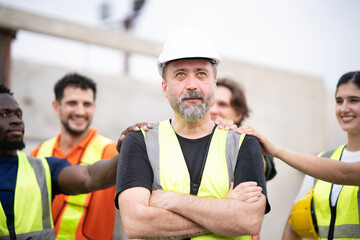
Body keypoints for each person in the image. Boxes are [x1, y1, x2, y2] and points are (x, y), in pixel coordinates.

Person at [115, 29, 270, 240]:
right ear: (164, 87)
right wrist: (225, 210)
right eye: (180, 74)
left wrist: (170, 200)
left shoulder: (243, 142)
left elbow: (249, 221)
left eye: (201, 73)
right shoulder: (139, 140)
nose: (192, 85)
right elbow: (136, 223)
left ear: (214, 84)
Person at [238, 71, 360, 239]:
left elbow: (343, 173)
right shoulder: (324, 159)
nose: (344, 108)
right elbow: (293, 226)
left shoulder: (324, 165)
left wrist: (276, 151)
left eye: (354, 100)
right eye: (339, 101)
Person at [0, 84, 119, 239]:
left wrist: (134, 146)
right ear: (56, 107)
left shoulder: (42, 167)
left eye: (19, 115)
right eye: (4, 115)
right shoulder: (41, 150)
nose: (16, 120)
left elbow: (88, 176)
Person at [31, 73, 120, 240]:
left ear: (94, 108)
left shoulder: (111, 152)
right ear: (56, 106)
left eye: (87, 104)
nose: (80, 111)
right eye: (72, 103)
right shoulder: (38, 153)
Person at [210, 77, 277, 181]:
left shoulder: (247, 141)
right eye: (210, 103)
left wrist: (236, 139)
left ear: (238, 114)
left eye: (222, 104)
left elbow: (263, 166)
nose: (213, 110)